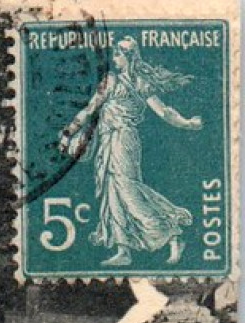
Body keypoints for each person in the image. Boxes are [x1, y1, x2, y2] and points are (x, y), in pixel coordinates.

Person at [59, 37, 203, 267]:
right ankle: (123, 249)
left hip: (125, 139)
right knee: (111, 191)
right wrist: (69, 131)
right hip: (106, 140)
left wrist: (186, 123)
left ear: (129, 56)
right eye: (114, 53)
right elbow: (90, 109)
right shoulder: (110, 81)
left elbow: (163, 111)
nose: (114, 58)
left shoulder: (140, 82)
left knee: (127, 189)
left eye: (118, 54)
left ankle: (172, 232)